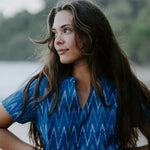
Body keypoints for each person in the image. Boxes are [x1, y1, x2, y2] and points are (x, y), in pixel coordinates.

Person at [0, 0, 150, 149]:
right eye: (54, 33)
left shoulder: (121, 88)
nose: (57, 41)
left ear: (91, 33)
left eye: (66, 30)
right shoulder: (44, 89)